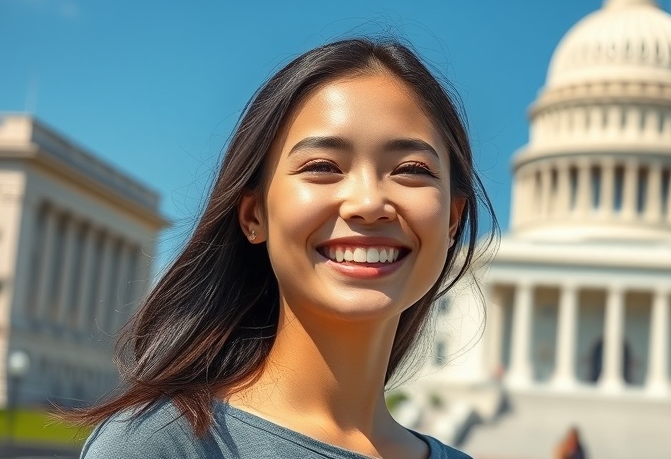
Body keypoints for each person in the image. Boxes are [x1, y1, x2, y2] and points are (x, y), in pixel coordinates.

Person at [75, 37, 497, 459]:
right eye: (322, 167)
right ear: (254, 215)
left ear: (453, 221)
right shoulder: (162, 445)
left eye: (410, 170)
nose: (369, 204)